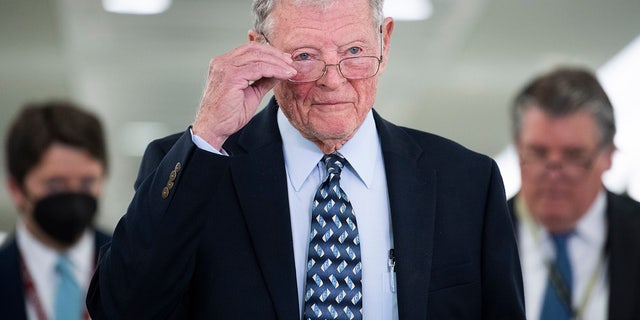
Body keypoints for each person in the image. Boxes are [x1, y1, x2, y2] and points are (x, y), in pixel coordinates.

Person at [87, 0, 525, 318]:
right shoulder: (196, 165)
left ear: (385, 42)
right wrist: (207, 134)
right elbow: (121, 308)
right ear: (260, 50)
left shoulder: (466, 182)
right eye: (305, 56)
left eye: (354, 52)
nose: (333, 81)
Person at [507, 66, 640, 320]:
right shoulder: (475, 238)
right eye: (537, 153)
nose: (554, 173)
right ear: (517, 146)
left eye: (574, 156)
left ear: (609, 155)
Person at [0, 100, 112, 320]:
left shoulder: (136, 268)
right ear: (16, 189)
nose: (74, 196)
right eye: (55, 184)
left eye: (87, 182)